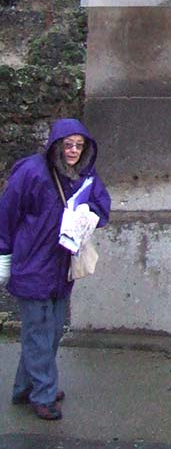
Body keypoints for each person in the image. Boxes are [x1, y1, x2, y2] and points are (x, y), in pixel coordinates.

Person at [0, 118, 111, 421]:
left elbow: (103, 206)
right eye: (68, 144)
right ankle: (44, 395)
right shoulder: (32, 172)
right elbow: (7, 213)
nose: (74, 150)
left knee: (51, 330)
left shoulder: (85, 175)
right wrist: (3, 255)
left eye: (79, 144)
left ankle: (25, 387)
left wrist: (90, 214)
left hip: (61, 266)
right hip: (32, 265)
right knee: (39, 332)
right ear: (56, 144)